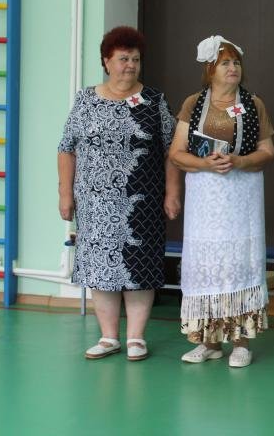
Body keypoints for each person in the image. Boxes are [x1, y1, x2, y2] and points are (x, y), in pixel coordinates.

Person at [58, 26, 181, 361]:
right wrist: (65, 194)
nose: (130, 65)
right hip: (94, 203)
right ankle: (109, 336)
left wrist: (172, 192)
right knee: (100, 267)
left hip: (142, 201)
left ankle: (136, 337)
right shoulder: (86, 100)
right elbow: (66, 148)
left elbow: (172, 150)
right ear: (106, 61)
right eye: (123, 59)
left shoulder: (154, 101)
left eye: (136, 59)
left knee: (140, 266)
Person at [168, 35, 274, 368]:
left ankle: (240, 341)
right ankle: (209, 341)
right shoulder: (193, 103)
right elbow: (176, 153)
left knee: (237, 264)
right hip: (205, 200)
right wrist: (204, 164)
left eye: (236, 62)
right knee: (206, 266)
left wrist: (240, 161)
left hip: (241, 198)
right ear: (210, 69)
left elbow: (268, 151)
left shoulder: (254, 103)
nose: (233, 68)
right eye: (225, 63)